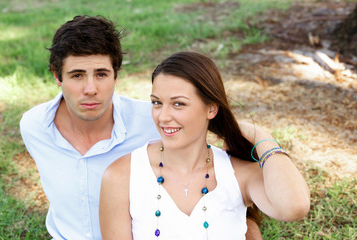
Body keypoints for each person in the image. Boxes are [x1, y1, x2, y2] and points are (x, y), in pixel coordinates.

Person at [19, 16, 263, 239]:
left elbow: (220, 178)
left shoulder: (156, 122)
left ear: (116, 75)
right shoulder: (35, 127)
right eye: (77, 75)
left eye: (101, 74)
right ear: (57, 76)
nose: (91, 88)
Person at [99, 51, 310, 239]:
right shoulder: (122, 175)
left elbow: (294, 207)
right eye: (157, 103)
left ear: (211, 109)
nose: (163, 117)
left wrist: (262, 138)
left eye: (178, 104)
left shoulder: (238, 173)